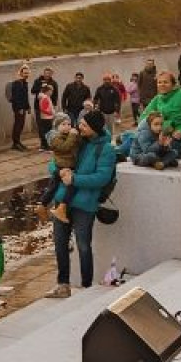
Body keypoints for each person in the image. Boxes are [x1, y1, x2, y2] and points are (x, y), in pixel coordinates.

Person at [48, 110, 115, 298]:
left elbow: (102, 178)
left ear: (94, 128)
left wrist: (75, 179)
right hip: (62, 199)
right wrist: (58, 170)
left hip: (85, 204)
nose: (79, 127)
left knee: (83, 245)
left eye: (84, 125)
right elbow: (55, 160)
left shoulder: (106, 149)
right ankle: (62, 284)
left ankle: (87, 287)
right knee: (60, 243)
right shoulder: (77, 141)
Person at [6, 64, 32, 151]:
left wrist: (28, 107)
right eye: (24, 73)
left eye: (27, 73)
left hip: (23, 108)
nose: (26, 74)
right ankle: (15, 143)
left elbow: (25, 97)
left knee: (20, 125)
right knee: (18, 125)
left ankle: (18, 142)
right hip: (18, 108)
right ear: (20, 73)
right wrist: (20, 108)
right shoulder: (17, 83)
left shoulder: (24, 83)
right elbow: (16, 98)